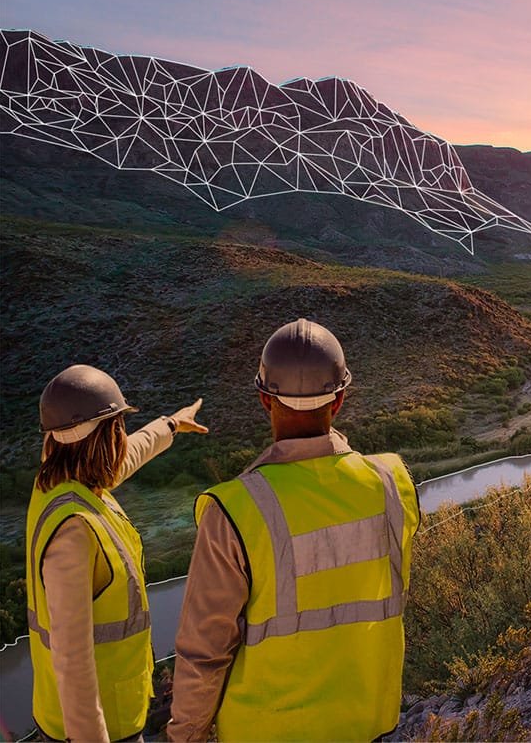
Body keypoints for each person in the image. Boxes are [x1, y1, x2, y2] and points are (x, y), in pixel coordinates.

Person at [167, 318, 420, 742]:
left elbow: (203, 655)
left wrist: (183, 738)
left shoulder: (233, 510)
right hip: (371, 724)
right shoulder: (393, 483)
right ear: (339, 400)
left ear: (265, 400)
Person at [26, 365, 208, 742]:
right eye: (118, 426)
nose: (124, 434)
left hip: (92, 718)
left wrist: (170, 425)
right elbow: (72, 661)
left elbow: (120, 464)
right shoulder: (73, 529)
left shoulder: (57, 483)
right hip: (95, 729)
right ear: (105, 435)